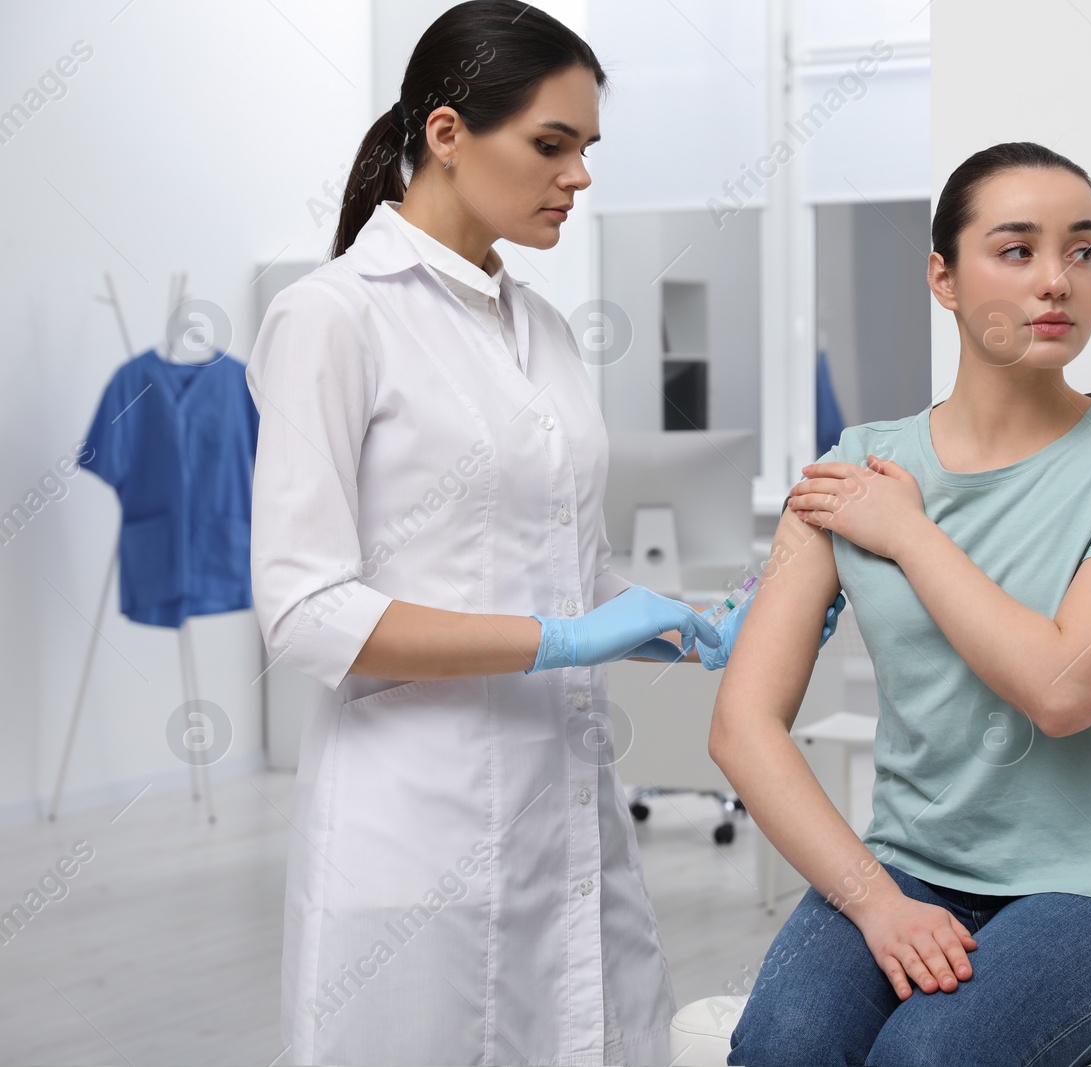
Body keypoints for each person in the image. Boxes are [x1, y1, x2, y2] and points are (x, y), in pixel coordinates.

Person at [247, 3, 838, 1063]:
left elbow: (557, 564)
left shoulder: (546, 332)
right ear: (444, 134)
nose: (578, 177)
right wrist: (562, 638)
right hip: (415, 821)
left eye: (587, 149)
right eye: (550, 146)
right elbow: (303, 609)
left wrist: (689, 628)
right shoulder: (333, 317)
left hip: (564, 813)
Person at [709, 141, 1091, 1066]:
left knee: (927, 1056)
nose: (1056, 281)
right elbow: (744, 725)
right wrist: (874, 898)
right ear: (943, 277)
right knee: (784, 1047)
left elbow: (1063, 691)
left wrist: (910, 532)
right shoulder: (855, 465)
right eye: (1016, 250)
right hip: (909, 867)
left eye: (1083, 250)